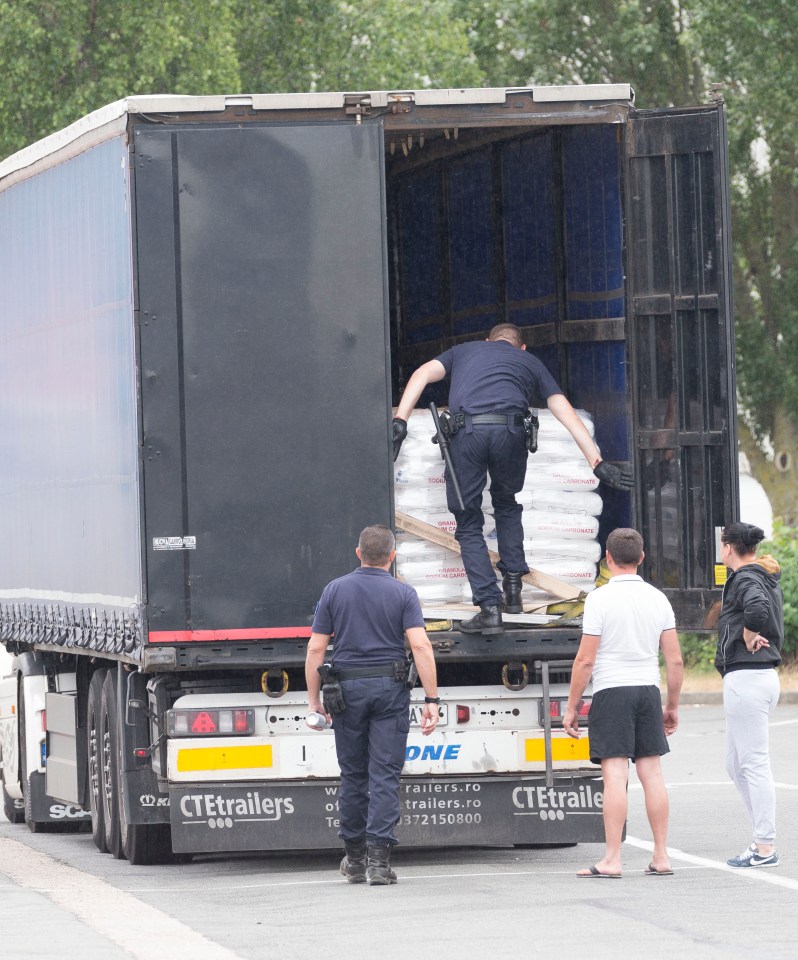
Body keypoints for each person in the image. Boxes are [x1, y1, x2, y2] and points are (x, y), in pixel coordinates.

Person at [392, 323, 633, 635]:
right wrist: (595, 460)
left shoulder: (463, 351)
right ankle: (514, 590)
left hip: (469, 433)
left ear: (487, 340)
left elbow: (422, 374)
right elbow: (561, 407)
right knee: (506, 504)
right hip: (511, 433)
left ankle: (489, 609)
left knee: (468, 522)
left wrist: (401, 421)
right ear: (521, 348)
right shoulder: (530, 362)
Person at [305, 524, 439, 886]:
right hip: (390, 690)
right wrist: (431, 699)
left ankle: (354, 859)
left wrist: (314, 701)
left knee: (353, 775)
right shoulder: (403, 593)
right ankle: (379, 863)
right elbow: (421, 646)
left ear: (358, 553)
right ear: (392, 557)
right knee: (383, 775)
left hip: (345, 691)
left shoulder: (335, 590)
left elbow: (316, 649)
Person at [563, 527, 682, 878]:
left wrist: (572, 707)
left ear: (608, 559)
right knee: (652, 774)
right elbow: (674, 661)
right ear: (642, 558)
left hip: (611, 691)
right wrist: (672, 706)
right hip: (647, 689)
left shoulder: (599, 599)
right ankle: (661, 856)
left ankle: (612, 859)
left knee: (615, 776)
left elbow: (585, 660)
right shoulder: (658, 599)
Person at [715, 521, 783, 868]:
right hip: (756, 678)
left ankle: (764, 846)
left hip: (749, 678)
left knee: (753, 764)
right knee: (736, 764)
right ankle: (761, 836)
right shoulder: (761, 573)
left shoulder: (744, 577)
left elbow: (757, 610)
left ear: (729, 548)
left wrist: (746, 633)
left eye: (722, 544)